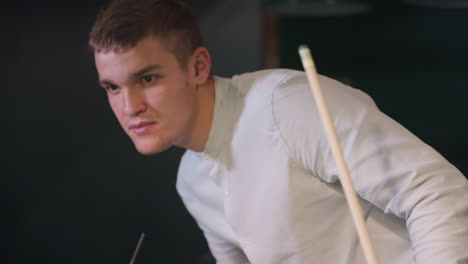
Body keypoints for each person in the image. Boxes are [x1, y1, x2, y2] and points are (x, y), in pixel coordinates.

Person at [88, 0, 468, 263]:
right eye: (112, 87)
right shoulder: (191, 180)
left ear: (198, 67)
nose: (129, 106)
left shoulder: (287, 106)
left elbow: (436, 193)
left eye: (148, 78)